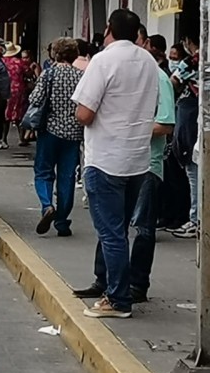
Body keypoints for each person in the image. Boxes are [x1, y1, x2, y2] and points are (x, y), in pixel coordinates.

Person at [73, 25, 175, 304]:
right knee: (116, 231)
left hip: (109, 158)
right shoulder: (149, 65)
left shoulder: (104, 60)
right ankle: (107, 283)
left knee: (116, 232)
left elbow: (84, 113)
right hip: (137, 161)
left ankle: (120, 296)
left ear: (110, 31)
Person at [31, 38, 84, 236]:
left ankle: (47, 206)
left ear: (56, 53)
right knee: (67, 177)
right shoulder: (81, 76)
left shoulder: (49, 73)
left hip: (49, 131)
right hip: (73, 134)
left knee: (43, 171)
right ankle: (62, 221)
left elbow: (35, 99)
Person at [169, 30, 200, 238]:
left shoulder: (192, 62)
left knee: (193, 172)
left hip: (193, 125)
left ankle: (196, 219)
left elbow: (173, 81)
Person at [3, 42, 33, 146]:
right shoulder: (20, 62)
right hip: (19, 89)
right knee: (20, 113)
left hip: (6, 90)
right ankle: (21, 139)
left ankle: (4, 139)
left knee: (6, 115)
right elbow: (29, 73)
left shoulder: (2, 62)